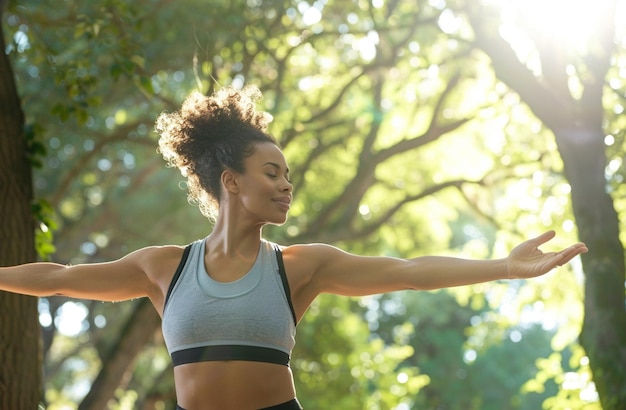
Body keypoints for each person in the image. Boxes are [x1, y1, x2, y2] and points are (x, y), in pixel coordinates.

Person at [0, 85, 587, 410]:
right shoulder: (163, 267)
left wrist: (505, 266)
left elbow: (408, 270)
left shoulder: (301, 266)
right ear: (230, 181)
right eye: (272, 173)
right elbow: (56, 278)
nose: (287, 186)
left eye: (288, 175)